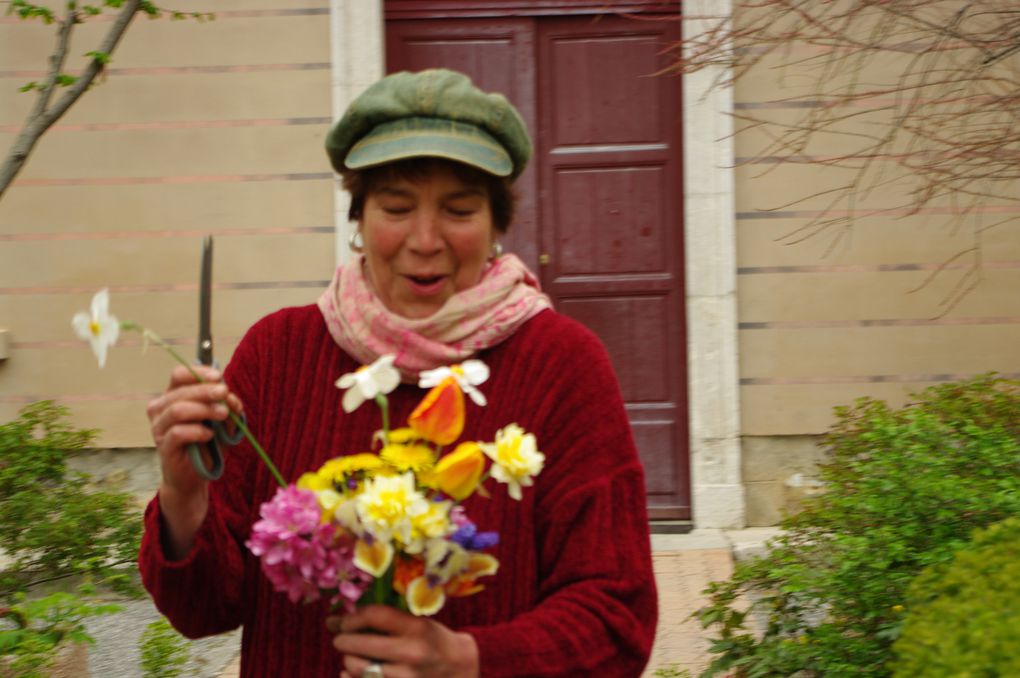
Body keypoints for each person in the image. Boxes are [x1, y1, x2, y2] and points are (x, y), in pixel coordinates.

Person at [139, 68, 658, 678]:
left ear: (497, 225)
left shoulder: (562, 364)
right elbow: (204, 610)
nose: (425, 239)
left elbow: (616, 620)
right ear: (358, 218)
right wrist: (183, 494)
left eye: (460, 209)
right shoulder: (278, 354)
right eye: (396, 206)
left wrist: (467, 660)